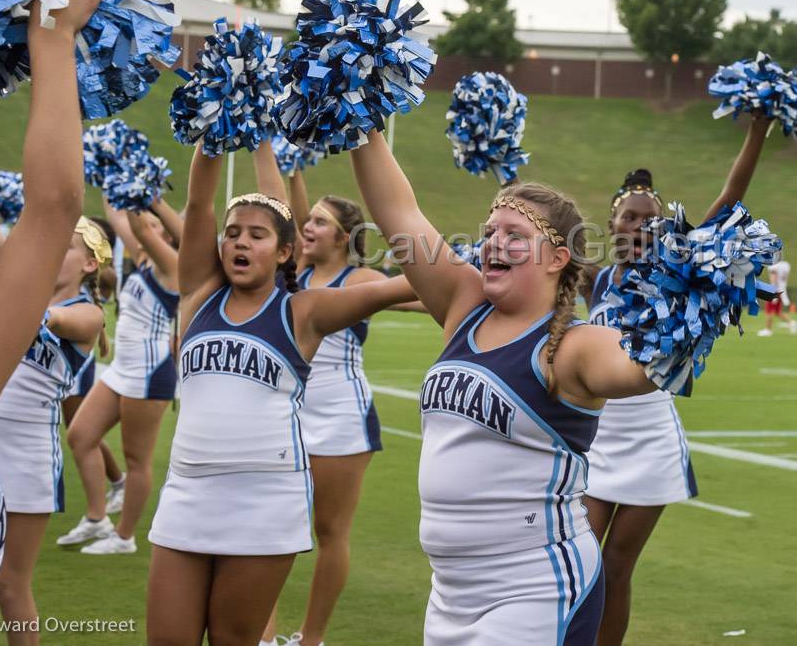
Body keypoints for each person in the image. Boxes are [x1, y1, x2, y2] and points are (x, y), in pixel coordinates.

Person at [350, 130, 671, 644]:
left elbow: (639, 369)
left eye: (515, 235)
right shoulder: (463, 304)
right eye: (490, 230)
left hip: (535, 589)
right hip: (450, 593)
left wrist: (694, 305)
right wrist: (359, 119)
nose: (494, 241)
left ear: (557, 258)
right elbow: (399, 212)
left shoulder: (570, 345)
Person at [144, 144, 417, 646]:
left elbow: (397, 287)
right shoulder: (198, 294)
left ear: (285, 251)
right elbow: (200, 203)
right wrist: (213, 132)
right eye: (231, 234)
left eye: (256, 235)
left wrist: (478, 264)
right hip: (187, 493)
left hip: (264, 500)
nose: (239, 242)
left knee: (234, 639)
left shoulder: (302, 311)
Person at [584, 114, 770, 646]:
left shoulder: (677, 271)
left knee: (616, 569)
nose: (641, 226)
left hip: (651, 442)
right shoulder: (592, 280)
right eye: (631, 217)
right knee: (579, 562)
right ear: (612, 223)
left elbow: (731, 198)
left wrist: (756, 131)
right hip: (596, 442)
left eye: (652, 219)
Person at [0, 0, 108, 645]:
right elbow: (27, 216)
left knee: (13, 584)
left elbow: (27, 233)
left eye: (74, 250)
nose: (58, 254)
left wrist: (9, 293)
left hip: (20, 453)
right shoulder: (3, 309)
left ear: (92, 266)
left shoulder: (85, 314)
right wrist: (52, 34)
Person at [260, 156, 421, 646]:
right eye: (308, 221)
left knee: (329, 532)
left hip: (341, 420)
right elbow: (287, 212)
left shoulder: (360, 282)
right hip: (286, 416)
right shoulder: (296, 273)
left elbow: (430, 293)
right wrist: (288, 169)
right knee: (268, 525)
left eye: (321, 223)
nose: (308, 227)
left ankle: (311, 638)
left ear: (343, 238)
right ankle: (260, 635)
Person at [59, 199, 184, 555]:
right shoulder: (141, 260)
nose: (144, 227)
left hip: (149, 373)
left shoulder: (172, 267)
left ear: (166, 235)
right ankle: (98, 518)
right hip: (122, 370)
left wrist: (141, 195)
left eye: (155, 226)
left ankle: (124, 537)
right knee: (81, 435)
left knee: (136, 459)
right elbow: (117, 214)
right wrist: (114, 174)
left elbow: (141, 226)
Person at [60, 215, 125, 521]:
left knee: (81, 430)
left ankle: (115, 486)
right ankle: (116, 483)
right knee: (80, 431)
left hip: (82, 369)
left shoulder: (83, 308)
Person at [757, 252, 795, 337]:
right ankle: (791, 322)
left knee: (769, 311)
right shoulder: (786, 265)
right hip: (782, 290)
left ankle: (768, 330)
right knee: (778, 312)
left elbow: (774, 279)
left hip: (775, 291)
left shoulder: (774, 266)